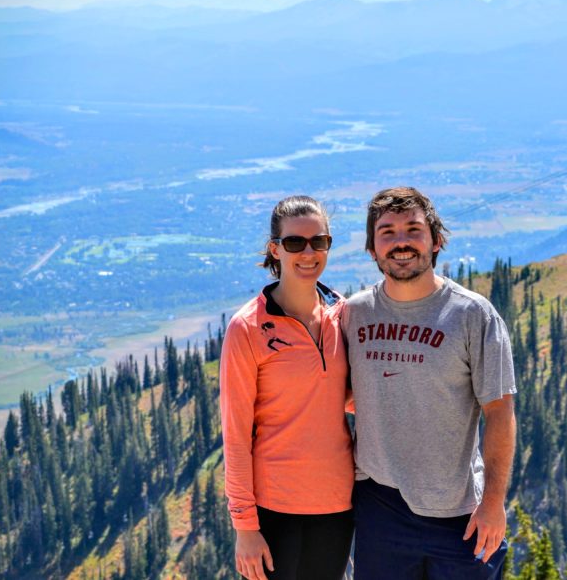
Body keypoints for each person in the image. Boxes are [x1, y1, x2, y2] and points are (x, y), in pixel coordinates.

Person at [343, 186, 517, 580]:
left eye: (413, 230)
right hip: (379, 506)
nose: (400, 242)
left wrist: (493, 502)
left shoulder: (474, 316)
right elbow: (336, 392)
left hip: (460, 514)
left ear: (436, 241)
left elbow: (500, 412)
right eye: (386, 232)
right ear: (372, 248)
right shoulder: (353, 315)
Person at [220, 195, 354, 580]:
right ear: (274, 249)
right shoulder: (247, 328)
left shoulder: (341, 313)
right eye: (295, 242)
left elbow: (345, 398)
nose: (308, 252)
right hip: (273, 508)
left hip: (337, 504)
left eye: (320, 241)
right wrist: (245, 527)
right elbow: (236, 434)